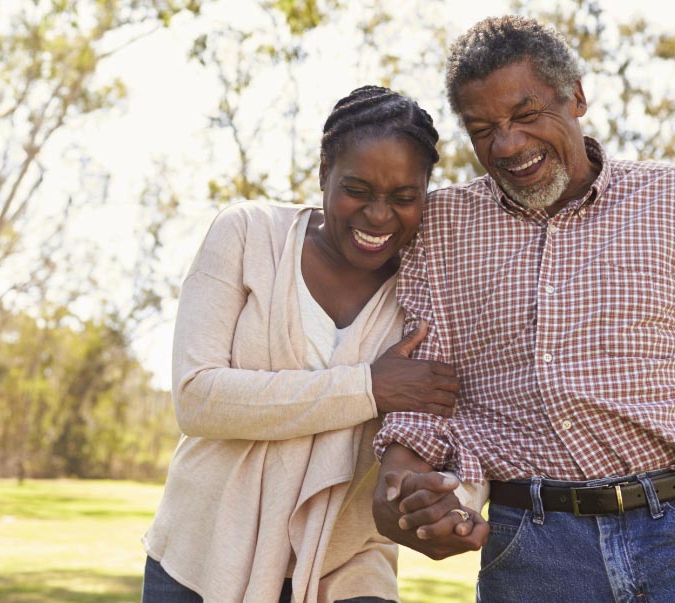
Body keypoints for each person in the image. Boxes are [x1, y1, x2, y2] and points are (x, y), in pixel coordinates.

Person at [369, 15, 675, 602]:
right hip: (532, 551)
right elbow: (425, 391)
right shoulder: (443, 227)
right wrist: (401, 491)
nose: (507, 145)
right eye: (483, 128)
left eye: (527, 116)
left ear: (576, 97)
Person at [142, 86, 460, 603]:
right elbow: (197, 398)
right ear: (323, 175)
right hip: (202, 557)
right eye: (357, 189)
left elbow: (434, 416)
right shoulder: (247, 235)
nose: (379, 216)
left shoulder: (426, 290)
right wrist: (367, 388)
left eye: (404, 197)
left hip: (345, 560)